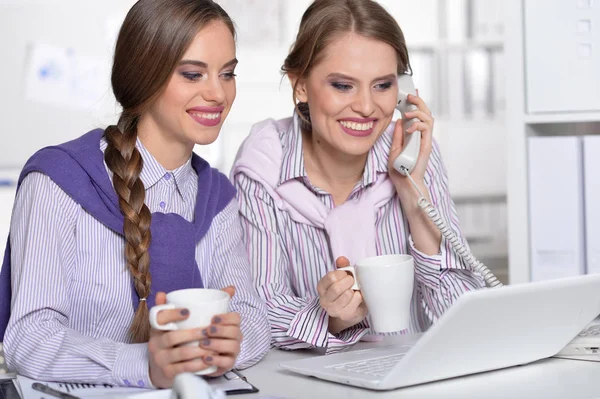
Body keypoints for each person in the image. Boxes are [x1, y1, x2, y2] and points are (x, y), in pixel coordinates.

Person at [0, 0, 270, 388]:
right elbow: (29, 338)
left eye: (227, 74)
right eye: (193, 75)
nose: (218, 93)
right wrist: (145, 364)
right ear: (145, 76)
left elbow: (253, 318)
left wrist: (225, 345)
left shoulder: (217, 197)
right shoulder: (58, 181)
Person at [231, 0, 485, 354]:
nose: (366, 107)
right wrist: (330, 318)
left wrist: (414, 195)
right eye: (343, 85)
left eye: (382, 85)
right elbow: (257, 308)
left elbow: (464, 315)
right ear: (300, 84)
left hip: (414, 375)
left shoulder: (409, 153)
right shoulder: (264, 165)